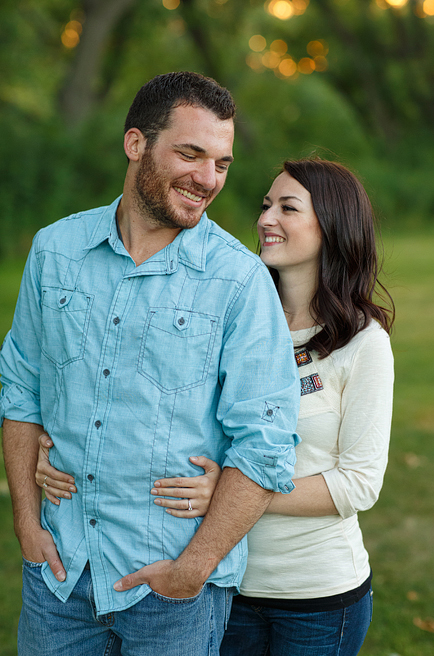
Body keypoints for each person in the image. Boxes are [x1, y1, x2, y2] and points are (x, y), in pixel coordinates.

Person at [39, 157, 395, 655]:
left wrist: (234, 492)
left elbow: (359, 483)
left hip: (314, 595)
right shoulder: (230, 309)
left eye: (288, 208)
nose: (266, 218)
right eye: (266, 205)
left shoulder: (363, 345)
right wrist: (53, 447)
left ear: (333, 228)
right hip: (222, 583)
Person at [0, 71, 301, 654]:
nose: (207, 179)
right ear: (136, 143)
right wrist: (26, 525)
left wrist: (193, 570)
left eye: (222, 163)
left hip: (173, 594)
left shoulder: (238, 280)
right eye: (190, 154)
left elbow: (265, 443)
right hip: (58, 579)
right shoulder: (55, 251)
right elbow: (20, 387)